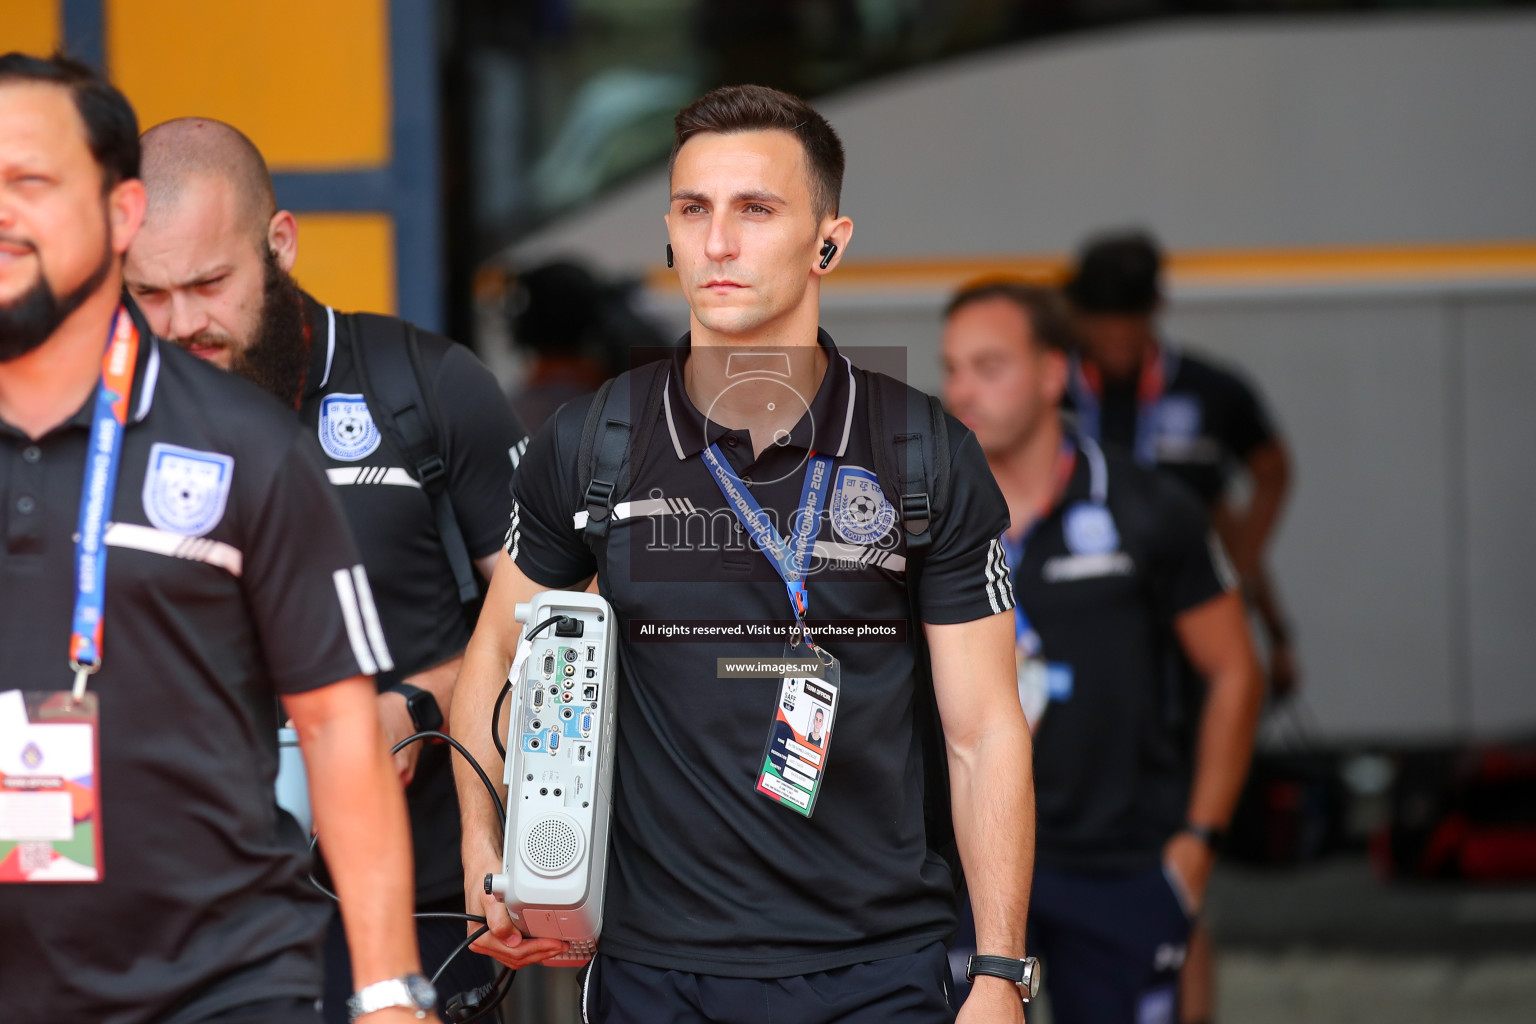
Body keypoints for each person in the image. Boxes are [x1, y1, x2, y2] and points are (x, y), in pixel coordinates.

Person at [454, 85, 1036, 1024]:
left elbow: (984, 733)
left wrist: (1001, 970)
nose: (718, 243)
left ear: (829, 242)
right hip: (653, 973)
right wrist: (490, 850)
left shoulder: (923, 452)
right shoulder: (593, 442)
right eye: (694, 210)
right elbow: (492, 656)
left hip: (876, 971)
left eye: (756, 210)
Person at [0, 54, 428, 1024]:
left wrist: (390, 990)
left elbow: (337, 725)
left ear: (120, 215)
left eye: (31, 180)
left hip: (218, 984)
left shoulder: (247, 444)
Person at [122, 117, 526, 1019]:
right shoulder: (105, 424)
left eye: (210, 283)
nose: (184, 322)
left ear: (281, 244)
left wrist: (413, 704)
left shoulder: (428, 388)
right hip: (190, 929)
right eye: (148, 293)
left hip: (416, 913)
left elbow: (549, 628)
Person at [941, 281, 1264, 1024]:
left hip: (1119, 864)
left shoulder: (1148, 506)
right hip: (967, 870)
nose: (962, 389)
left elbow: (1235, 670)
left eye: (989, 366)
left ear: (1055, 372)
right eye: (952, 367)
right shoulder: (922, 520)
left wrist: (1197, 844)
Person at [1063, 231, 1294, 1024]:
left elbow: (1269, 472)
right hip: (1076, 654)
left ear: (1155, 312)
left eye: (1128, 321)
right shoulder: (1048, 385)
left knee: (1178, 854)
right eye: (1099, 321)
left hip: (1186, 655)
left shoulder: (1210, 390)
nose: (1114, 339)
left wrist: (1242, 570)